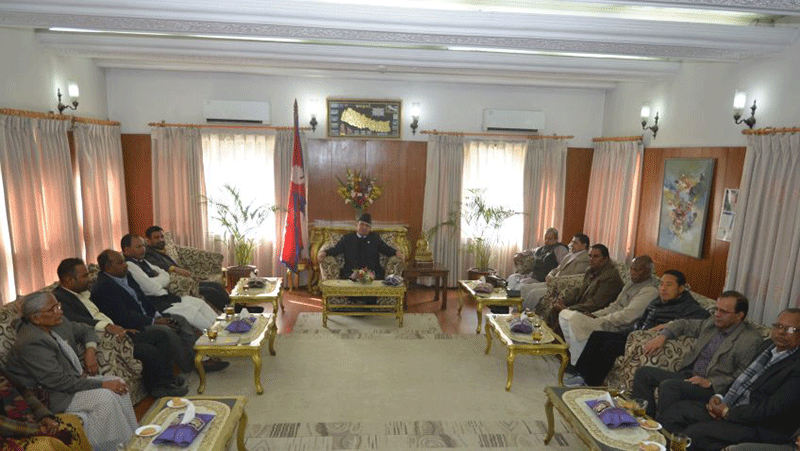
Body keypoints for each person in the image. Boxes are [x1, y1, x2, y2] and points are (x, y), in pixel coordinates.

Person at [4, 292, 137, 451]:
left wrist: (90, 351)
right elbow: (57, 381)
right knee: (105, 398)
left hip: (67, 383)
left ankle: (134, 440)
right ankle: (112, 447)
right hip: (49, 395)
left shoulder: (56, 323)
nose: (59, 311)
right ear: (36, 318)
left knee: (120, 384)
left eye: (58, 306)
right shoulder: (30, 342)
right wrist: (101, 384)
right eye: (52, 309)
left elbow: (87, 330)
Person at [659, 309, 800, 451]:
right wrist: (719, 397)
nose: (781, 332)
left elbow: (771, 410)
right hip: (732, 407)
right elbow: (742, 379)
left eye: (791, 329)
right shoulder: (768, 346)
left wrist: (728, 413)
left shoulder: (796, 366)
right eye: (779, 326)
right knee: (675, 413)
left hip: (759, 426)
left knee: (695, 434)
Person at [54, 257, 187, 397]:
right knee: (148, 351)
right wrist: (108, 327)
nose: (89, 279)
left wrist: (121, 327)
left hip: (118, 329)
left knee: (161, 335)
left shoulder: (83, 292)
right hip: (106, 339)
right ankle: (159, 388)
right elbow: (77, 321)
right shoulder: (60, 299)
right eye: (84, 276)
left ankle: (167, 379)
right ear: (69, 280)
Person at [91, 249, 228, 373]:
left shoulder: (125, 276)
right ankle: (191, 365)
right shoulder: (105, 287)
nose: (125, 265)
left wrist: (158, 315)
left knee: (180, 321)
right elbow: (124, 316)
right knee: (167, 332)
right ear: (108, 268)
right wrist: (154, 321)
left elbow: (143, 299)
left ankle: (201, 358)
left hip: (149, 316)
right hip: (133, 326)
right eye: (121, 263)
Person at [567, 269, 710, 386]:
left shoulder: (689, 306)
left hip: (646, 342)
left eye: (669, 285)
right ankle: (580, 374)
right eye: (661, 284)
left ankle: (591, 383)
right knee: (598, 335)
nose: (663, 288)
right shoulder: (658, 301)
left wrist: (668, 326)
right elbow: (643, 320)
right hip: (637, 333)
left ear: (681, 288)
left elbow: (705, 320)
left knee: (610, 344)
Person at [631, 290, 762, 418]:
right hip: (688, 377)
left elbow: (743, 376)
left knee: (670, 386)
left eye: (723, 312)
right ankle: (645, 420)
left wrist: (710, 382)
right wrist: (663, 336)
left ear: (739, 315)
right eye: (716, 309)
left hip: (710, 389)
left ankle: (664, 431)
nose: (717, 314)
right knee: (643, 373)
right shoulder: (712, 323)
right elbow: (683, 324)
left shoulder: (749, 340)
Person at [558, 255, 658, 365]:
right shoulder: (631, 283)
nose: (633, 272)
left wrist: (601, 319)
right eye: (631, 268)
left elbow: (627, 316)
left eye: (637, 270)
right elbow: (614, 306)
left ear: (648, 271)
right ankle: (576, 355)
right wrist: (594, 315)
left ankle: (575, 361)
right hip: (608, 319)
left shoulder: (650, 291)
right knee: (564, 315)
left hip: (620, 326)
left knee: (574, 320)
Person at [122, 234, 217, 330]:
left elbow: (166, 275)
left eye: (143, 246)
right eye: (138, 247)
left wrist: (155, 280)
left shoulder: (143, 261)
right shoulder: (129, 265)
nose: (143, 249)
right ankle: (214, 334)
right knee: (191, 312)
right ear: (126, 250)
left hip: (167, 298)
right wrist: (159, 279)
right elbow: (152, 288)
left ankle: (222, 327)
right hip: (156, 304)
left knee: (200, 303)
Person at [1, 367, 91, 451]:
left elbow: (24, 392)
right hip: (7, 434)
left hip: (26, 420)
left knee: (71, 421)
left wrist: (44, 416)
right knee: (46, 446)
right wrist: (37, 429)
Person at [144, 225, 231, 311]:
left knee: (216, 285)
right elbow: (158, 264)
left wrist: (192, 276)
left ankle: (234, 308)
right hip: (178, 286)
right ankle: (228, 312)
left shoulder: (161, 250)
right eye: (156, 238)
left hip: (188, 281)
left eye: (162, 236)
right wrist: (176, 269)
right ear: (148, 240)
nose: (161, 240)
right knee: (211, 291)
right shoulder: (148, 253)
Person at [541, 244, 624, 334]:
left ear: (606, 259)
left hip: (594, 312)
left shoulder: (610, 277)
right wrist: (563, 300)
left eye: (596, 256)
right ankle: (549, 337)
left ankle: (557, 342)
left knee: (562, 313)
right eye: (590, 256)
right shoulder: (590, 270)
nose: (591, 259)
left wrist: (568, 309)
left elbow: (596, 304)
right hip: (583, 305)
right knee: (555, 309)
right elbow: (580, 291)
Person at [317, 213, 404, 280]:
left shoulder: (374, 238)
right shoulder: (347, 238)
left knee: (370, 283)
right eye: (361, 224)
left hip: (372, 273)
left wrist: (396, 252)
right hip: (352, 272)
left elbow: (386, 249)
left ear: (370, 229)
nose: (364, 227)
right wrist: (325, 252)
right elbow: (336, 250)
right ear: (357, 225)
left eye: (367, 226)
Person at [520, 233, 591, 311]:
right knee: (523, 288)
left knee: (533, 294)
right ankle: (520, 313)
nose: (571, 244)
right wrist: (550, 275)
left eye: (575, 243)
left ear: (584, 245)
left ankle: (528, 318)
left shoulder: (586, 259)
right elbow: (557, 268)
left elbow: (574, 275)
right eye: (572, 242)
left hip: (562, 287)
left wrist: (555, 280)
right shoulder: (569, 255)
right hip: (552, 283)